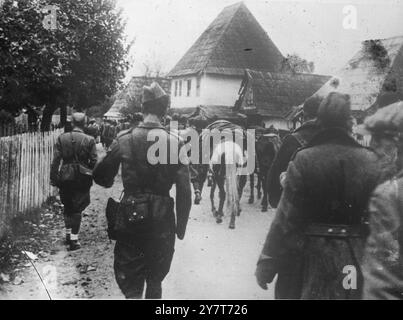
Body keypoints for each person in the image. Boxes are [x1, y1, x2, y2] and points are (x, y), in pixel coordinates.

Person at [255, 92, 381, 299]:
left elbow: (286, 218)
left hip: (307, 257)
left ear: (319, 122)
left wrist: (268, 262)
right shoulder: (371, 161)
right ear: (350, 122)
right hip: (355, 260)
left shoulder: (304, 159)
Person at [93, 82, 192, 299]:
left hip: (131, 217)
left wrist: (110, 180)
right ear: (164, 111)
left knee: (131, 279)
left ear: (143, 107)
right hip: (162, 219)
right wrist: (181, 226)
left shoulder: (124, 138)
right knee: (155, 279)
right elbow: (185, 190)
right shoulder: (176, 143)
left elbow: (100, 176)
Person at [357, 101, 403, 299]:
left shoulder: (390, 194)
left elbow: (382, 286)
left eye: (378, 139)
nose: (372, 147)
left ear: (398, 142)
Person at [50, 113, 98, 251]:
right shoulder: (90, 139)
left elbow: (55, 161)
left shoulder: (62, 138)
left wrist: (54, 178)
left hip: (65, 176)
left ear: (71, 123)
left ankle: (67, 234)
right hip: (82, 178)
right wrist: (88, 171)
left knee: (67, 205)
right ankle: (74, 240)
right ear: (84, 124)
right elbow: (94, 161)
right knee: (77, 208)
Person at [267, 95, 323, 209]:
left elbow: (273, 177)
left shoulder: (292, 140)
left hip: (299, 212)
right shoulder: (339, 140)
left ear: (303, 115)